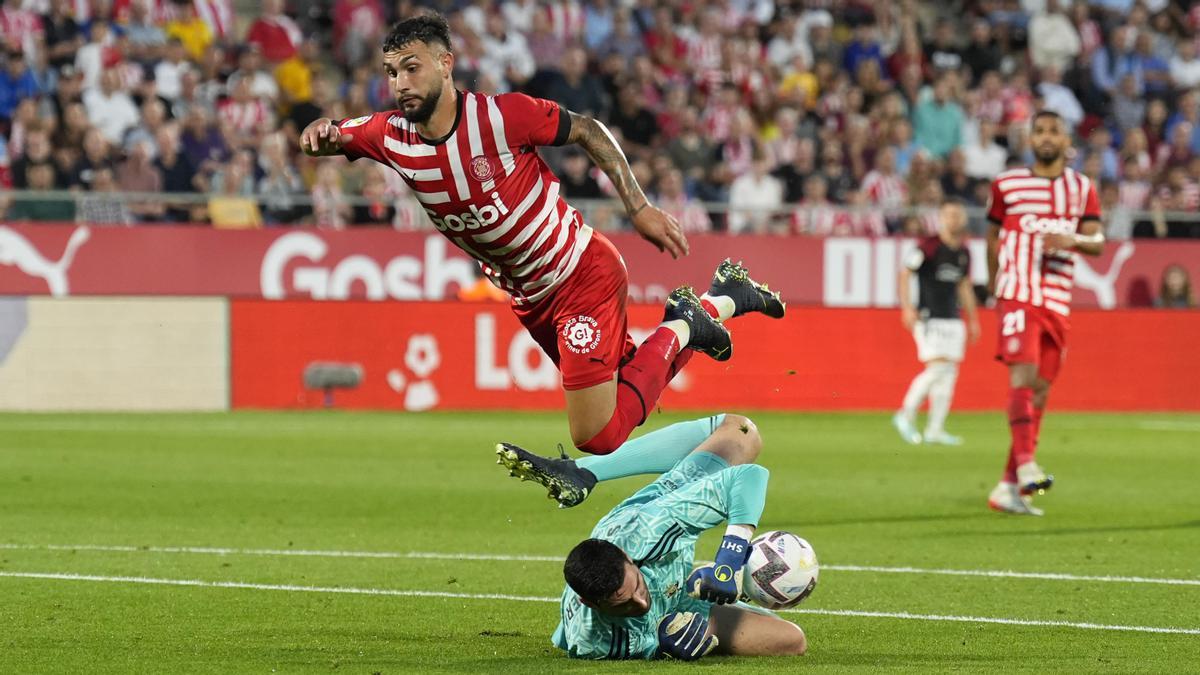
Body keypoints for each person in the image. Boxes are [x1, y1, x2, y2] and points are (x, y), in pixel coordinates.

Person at [301, 14, 786, 459]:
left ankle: (686, 321)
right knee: (621, 394)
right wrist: (320, 132)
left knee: (597, 435)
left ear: (446, 63)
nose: (401, 84)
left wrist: (637, 207)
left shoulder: (501, 117)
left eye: (412, 68)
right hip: (531, 298)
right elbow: (335, 134)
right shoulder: (389, 136)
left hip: (579, 273)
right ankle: (718, 302)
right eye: (391, 73)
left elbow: (590, 131)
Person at [499, 414, 807, 659]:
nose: (640, 602)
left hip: (659, 506)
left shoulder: (654, 529)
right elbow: (640, 641)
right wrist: (661, 646)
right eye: (624, 605)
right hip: (678, 610)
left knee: (742, 432)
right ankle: (581, 471)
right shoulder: (593, 639)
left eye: (636, 586)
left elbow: (750, 476)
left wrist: (729, 561)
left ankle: (584, 470)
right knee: (792, 640)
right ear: (590, 603)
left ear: (628, 559)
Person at [985, 110, 1105, 517]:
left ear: (1066, 138)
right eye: (1040, 131)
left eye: (1054, 130)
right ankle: (1026, 465)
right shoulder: (1007, 183)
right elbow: (992, 235)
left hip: (1057, 299)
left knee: (1040, 390)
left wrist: (1068, 238)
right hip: (1017, 292)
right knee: (1022, 375)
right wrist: (994, 283)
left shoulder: (1082, 188)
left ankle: (1007, 488)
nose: (1047, 137)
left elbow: (1098, 242)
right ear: (1030, 139)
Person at [892, 201, 979, 446]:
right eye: (949, 215)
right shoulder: (928, 247)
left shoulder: (964, 252)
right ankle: (905, 413)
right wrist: (907, 307)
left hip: (953, 318)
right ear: (941, 218)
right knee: (938, 369)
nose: (954, 220)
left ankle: (935, 429)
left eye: (958, 215)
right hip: (929, 316)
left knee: (949, 373)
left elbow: (964, 285)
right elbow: (905, 273)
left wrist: (973, 319)